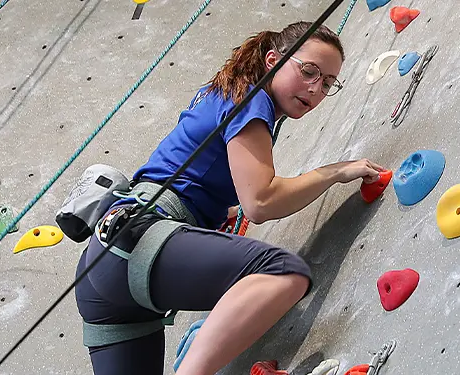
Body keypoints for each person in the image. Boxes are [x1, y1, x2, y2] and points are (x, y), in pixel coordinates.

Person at [73, 21, 385, 375]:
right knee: (284, 274)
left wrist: (216, 210)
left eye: (328, 83)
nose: (315, 89)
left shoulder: (225, 94)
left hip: (105, 266)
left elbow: (197, 175)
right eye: (309, 71)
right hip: (138, 243)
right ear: (272, 60)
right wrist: (337, 172)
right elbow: (262, 202)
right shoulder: (251, 102)